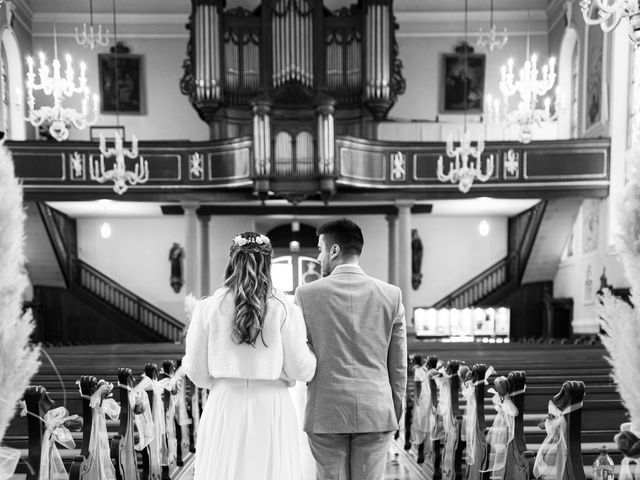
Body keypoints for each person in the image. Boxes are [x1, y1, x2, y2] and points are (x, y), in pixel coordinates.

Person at [182, 231, 316, 480]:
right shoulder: (285, 308)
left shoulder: (207, 308)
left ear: (232, 261)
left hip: (224, 402)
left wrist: (223, 380)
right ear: (268, 263)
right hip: (271, 403)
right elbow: (302, 369)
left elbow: (196, 371)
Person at [294, 218, 407, 480]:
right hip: (376, 410)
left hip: (326, 411)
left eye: (320, 250)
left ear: (334, 251)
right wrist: (394, 411)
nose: (319, 257)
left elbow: (302, 357)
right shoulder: (391, 295)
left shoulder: (306, 295)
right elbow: (398, 365)